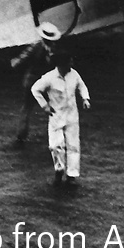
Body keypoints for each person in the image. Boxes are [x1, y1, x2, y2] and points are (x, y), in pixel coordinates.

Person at [30, 41, 91, 186]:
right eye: (70, 61)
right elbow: (35, 89)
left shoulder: (74, 74)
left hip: (71, 115)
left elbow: (82, 86)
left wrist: (85, 98)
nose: (72, 63)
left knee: (73, 145)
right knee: (55, 145)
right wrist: (44, 106)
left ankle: (72, 174)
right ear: (62, 63)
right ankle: (59, 169)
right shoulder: (50, 77)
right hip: (56, 115)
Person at [11, 23, 60, 143]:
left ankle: (21, 135)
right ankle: (57, 133)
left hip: (32, 81)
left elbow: (22, 58)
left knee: (26, 108)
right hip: (45, 83)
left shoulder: (36, 46)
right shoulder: (54, 49)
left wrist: (15, 62)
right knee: (55, 106)